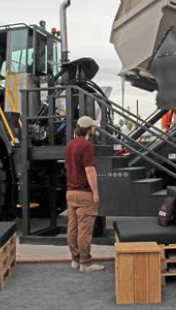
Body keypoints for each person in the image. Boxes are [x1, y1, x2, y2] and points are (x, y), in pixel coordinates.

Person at [64, 115, 105, 272]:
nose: (95, 128)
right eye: (93, 126)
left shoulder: (70, 145)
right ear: (89, 129)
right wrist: (95, 192)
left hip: (71, 192)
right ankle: (85, 262)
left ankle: (75, 259)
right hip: (83, 194)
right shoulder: (87, 146)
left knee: (73, 228)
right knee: (84, 230)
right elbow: (89, 170)